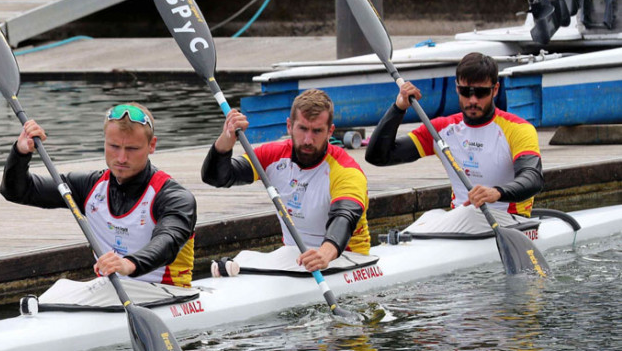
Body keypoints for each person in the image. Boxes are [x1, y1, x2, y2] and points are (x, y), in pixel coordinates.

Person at [0, 102, 196, 287]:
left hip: (166, 291)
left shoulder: (174, 198)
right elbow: (18, 191)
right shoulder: (89, 186)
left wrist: (129, 264)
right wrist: (20, 153)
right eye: (114, 146)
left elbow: (168, 241)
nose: (121, 158)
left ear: (152, 145)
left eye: (132, 149)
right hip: (109, 290)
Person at [201, 88, 371, 272]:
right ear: (289, 126)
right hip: (292, 259)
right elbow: (217, 178)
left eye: (317, 131)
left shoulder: (346, 171)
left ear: (330, 131)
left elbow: (344, 218)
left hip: (345, 259)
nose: (308, 140)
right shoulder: (272, 156)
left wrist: (325, 252)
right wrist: (226, 141)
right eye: (303, 129)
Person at [365, 52, 544, 217]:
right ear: (457, 88)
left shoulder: (518, 129)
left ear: (495, 90)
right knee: (430, 216)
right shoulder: (440, 129)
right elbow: (378, 157)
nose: (473, 100)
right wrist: (398, 109)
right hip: (461, 219)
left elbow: (533, 179)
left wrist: (497, 192)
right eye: (466, 92)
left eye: (481, 93)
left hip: (510, 221)